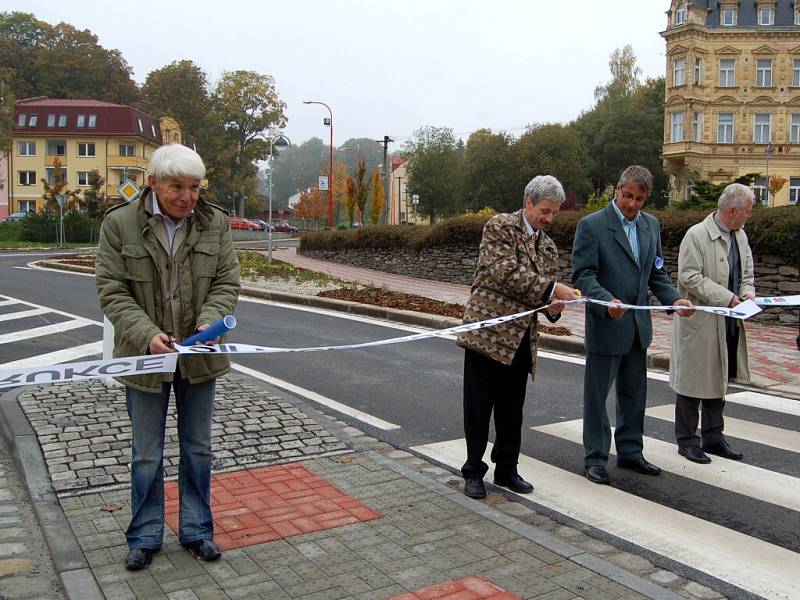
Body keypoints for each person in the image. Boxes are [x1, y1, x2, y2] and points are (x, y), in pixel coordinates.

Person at [96, 144, 240, 570]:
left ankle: (197, 531)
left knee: (198, 449)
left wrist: (208, 323)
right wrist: (147, 334)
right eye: (177, 186)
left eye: (194, 187)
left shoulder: (214, 222)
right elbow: (112, 290)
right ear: (153, 182)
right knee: (146, 453)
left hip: (199, 358)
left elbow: (226, 282)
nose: (187, 197)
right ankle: (144, 536)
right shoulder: (120, 224)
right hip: (144, 359)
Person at [456, 175, 579, 499]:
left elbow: (541, 295)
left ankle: (507, 469)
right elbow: (504, 272)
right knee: (479, 407)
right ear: (528, 202)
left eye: (554, 213)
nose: (549, 219)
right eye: (544, 210)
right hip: (487, 334)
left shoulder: (548, 246)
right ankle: (473, 471)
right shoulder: (500, 227)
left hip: (522, 338)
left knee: (512, 409)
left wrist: (554, 306)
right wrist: (552, 289)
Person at [572, 165, 692, 485]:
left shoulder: (651, 225)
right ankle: (595, 457)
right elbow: (583, 275)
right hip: (606, 325)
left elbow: (655, 273)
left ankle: (630, 452)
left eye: (639, 199)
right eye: (628, 197)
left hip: (638, 328)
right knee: (597, 398)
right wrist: (605, 300)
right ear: (617, 189)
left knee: (634, 395)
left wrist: (674, 300)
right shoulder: (592, 225)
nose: (632, 205)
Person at [670, 184, 755, 463]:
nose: (749, 216)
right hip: (702, 321)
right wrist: (729, 298)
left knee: (719, 377)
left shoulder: (740, 236)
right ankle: (686, 440)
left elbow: (747, 272)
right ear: (732, 211)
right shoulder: (696, 235)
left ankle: (713, 437)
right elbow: (689, 277)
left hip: (729, 321)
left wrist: (748, 293)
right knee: (693, 380)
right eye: (747, 211)